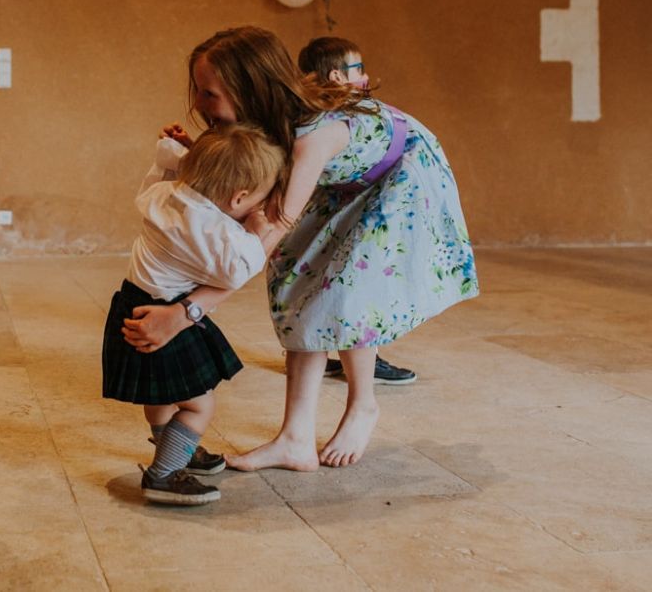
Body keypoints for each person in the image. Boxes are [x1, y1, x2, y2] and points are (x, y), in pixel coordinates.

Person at [124, 26, 478, 471]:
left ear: (249, 90)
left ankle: (362, 405)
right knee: (296, 284)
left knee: (346, 290)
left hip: (396, 177)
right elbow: (243, 196)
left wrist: (185, 313)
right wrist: (199, 158)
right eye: (197, 90)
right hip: (339, 179)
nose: (199, 104)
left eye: (209, 93)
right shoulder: (265, 124)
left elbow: (253, 247)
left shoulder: (312, 138)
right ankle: (295, 440)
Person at [103, 124, 283, 505]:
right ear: (240, 198)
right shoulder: (214, 230)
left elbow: (167, 166)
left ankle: (172, 444)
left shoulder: (163, 194)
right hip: (166, 311)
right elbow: (240, 270)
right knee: (200, 405)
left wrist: (175, 152)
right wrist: (258, 230)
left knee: (163, 394)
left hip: (132, 302)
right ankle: (164, 474)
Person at [298, 36, 417, 386]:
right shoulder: (338, 120)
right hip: (352, 207)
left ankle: (341, 354)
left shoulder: (329, 115)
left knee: (343, 280)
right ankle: (362, 359)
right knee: (359, 283)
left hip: (342, 206)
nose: (365, 76)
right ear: (337, 76)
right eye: (358, 68)